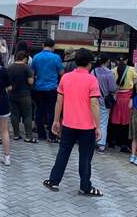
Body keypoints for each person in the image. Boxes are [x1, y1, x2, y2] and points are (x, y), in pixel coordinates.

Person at [43, 48, 103, 197]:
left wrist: (56, 120)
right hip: (87, 126)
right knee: (85, 157)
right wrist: (98, 126)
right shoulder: (92, 80)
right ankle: (85, 187)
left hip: (68, 124)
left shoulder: (66, 78)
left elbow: (59, 101)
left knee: (63, 153)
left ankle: (53, 181)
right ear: (89, 64)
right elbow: (94, 104)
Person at [31, 38, 64, 142]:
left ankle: (41, 134)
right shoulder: (56, 58)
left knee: (39, 111)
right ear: (53, 46)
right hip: (52, 88)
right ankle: (52, 135)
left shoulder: (36, 57)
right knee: (52, 112)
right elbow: (61, 73)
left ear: (43, 45)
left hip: (38, 88)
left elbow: (32, 73)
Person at [110, 57, 137, 153]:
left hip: (117, 97)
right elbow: (135, 82)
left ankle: (112, 141)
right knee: (125, 122)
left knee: (115, 120)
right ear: (126, 61)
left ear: (117, 61)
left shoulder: (113, 70)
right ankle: (124, 144)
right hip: (128, 98)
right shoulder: (132, 69)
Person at [91, 54, 117, 153]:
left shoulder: (93, 71)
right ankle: (101, 144)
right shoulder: (109, 73)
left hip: (93, 99)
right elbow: (112, 88)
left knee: (93, 121)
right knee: (103, 122)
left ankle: (92, 141)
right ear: (107, 61)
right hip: (104, 101)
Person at [8, 50, 36, 143]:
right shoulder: (26, 67)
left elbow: (7, 82)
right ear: (25, 58)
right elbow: (30, 82)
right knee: (27, 115)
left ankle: (16, 135)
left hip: (12, 94)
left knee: (14, 115)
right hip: (24, 95)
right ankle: (28, 136)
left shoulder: (10, 67)